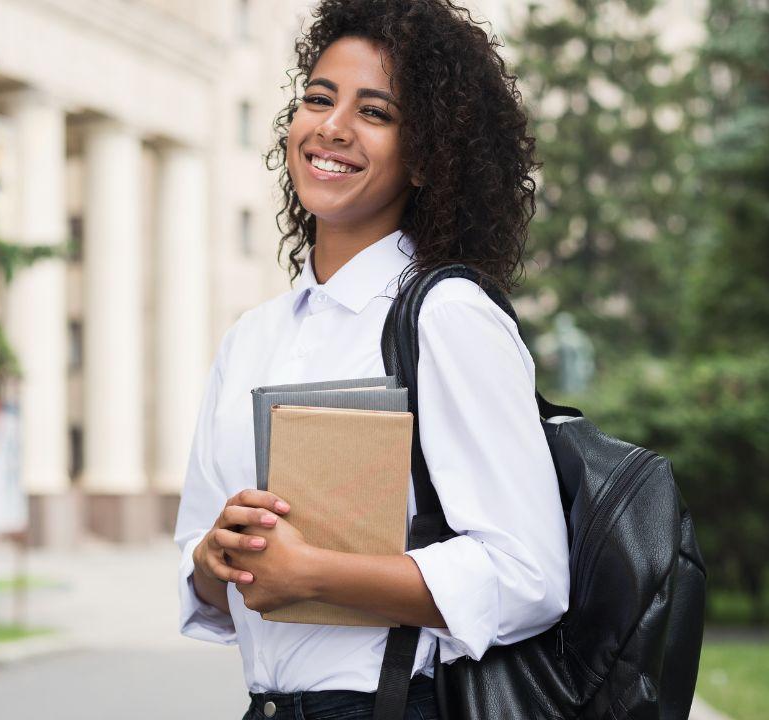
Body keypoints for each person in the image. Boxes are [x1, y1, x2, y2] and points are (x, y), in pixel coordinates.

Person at [173, 2, 569, 718]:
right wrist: (211, 562)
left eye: (375, 112)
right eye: (318, 99)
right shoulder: (252, 338)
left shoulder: (447, 318)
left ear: (424, 159)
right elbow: (207, 578)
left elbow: (529, 575)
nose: (332, 127)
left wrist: (317, 573)